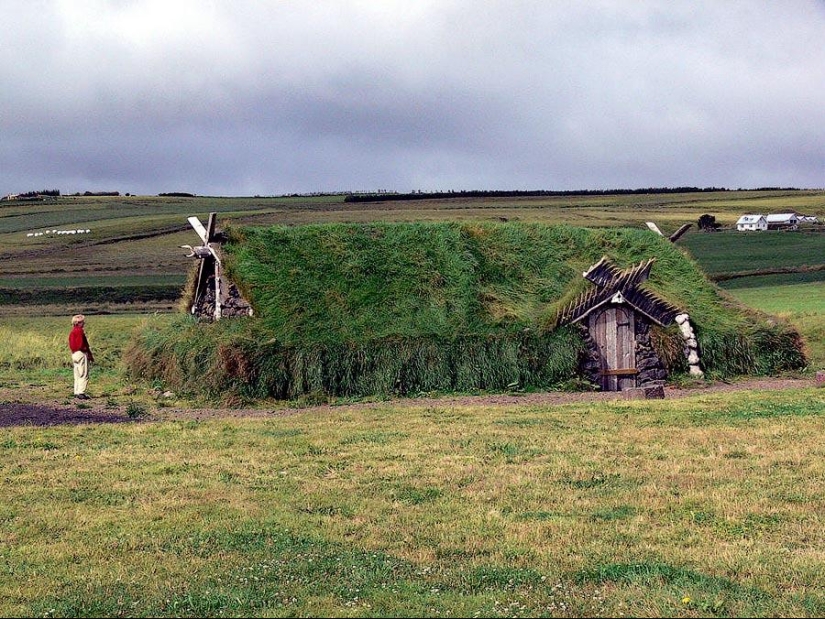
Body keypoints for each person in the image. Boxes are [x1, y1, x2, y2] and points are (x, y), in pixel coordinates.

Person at [68, 314, 94, 399]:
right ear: (78, 322)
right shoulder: (79, 331)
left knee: (77, 373)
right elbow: (81, 344)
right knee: (84, 373)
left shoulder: (72, 331)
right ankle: (81, 392)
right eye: (83, 321)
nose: (84, 323)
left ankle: (76, 391)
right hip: (81, 353)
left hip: (74, 353)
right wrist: (87, 352)